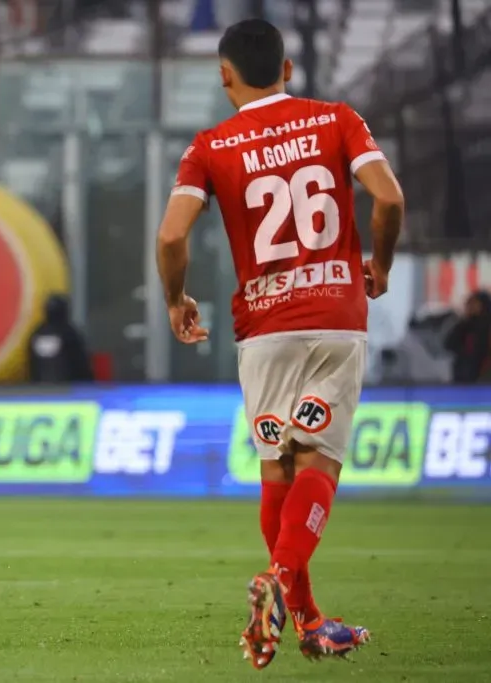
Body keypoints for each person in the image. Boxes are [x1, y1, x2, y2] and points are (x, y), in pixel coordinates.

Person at [155, 19, 404, 669]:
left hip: (264, 328)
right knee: (317, 462)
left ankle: (308, 617)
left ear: (224, 75)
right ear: (288, 69)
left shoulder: (209, 146)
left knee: (277, 467)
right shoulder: (337, 120)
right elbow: (388, 198)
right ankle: (281, 579)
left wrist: (176, 299)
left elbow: (171, 238)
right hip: (334, 315)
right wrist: (379, 261)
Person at [27, 294, 94, 383]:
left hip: (41, 390)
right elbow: (80, 364)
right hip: (68, 390)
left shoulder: (38, 334)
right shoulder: (69, 334)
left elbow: (33, 365)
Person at [444, 290, 491, 383]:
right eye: (468, 304)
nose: (469, 306)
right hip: (463, 375)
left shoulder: (486, 325)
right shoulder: (464, 325)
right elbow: (449, 344)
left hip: (483, 374)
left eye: (473, 303)